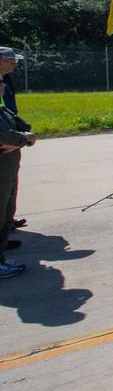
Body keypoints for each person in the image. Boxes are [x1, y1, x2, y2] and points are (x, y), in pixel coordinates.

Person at [0, 87, 36, 278]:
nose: (3, 86)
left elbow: (22, 125)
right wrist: (23, 138)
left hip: (8, 168)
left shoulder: (2, 109)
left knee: (6, 211)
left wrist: (22, 138)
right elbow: (4, 137)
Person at [0, 48, 27, 233]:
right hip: (4, 139)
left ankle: (6, 224)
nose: (14, 63)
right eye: (10, 59)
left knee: (9, 190)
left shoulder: (5, 79)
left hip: (10, 135)